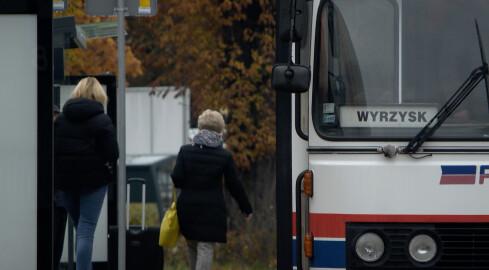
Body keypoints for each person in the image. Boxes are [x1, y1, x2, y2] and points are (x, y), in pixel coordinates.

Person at [171, 109, 253, 270]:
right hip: (211, 211)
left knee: (192, 245)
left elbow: (176, 178)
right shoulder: (224, 156)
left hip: (187, 209)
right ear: (220, 130)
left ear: (200, 127)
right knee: (205, 248)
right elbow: (234, 185)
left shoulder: (185, 151)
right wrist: (245, 208)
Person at [54, 77, 119, 270]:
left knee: (80, 228)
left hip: (65, 183)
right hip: (94, 182)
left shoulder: (62, 119)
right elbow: (113, 153)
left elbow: (54, 150)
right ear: (98, 95)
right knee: (86, 230)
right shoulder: (102, 120)